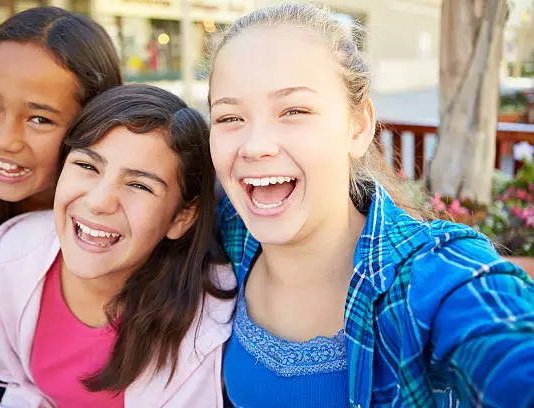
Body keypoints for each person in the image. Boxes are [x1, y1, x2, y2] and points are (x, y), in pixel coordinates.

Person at [208, 3, 534, 407]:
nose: (255, 146)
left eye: (294, 111)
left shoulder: (431, 278)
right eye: (228, 118)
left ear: (358, 127)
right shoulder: (229, 232)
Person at [0, 84, 236, 407]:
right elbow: (23, 390)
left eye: (139, 185)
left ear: (181, 217)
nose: (99, 201)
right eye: (87, 166)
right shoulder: (14, 252)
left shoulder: (206, 319)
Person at [0, 7, 122, 407]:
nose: (3, 141)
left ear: (95, 121)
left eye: (40, 119)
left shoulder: (121, 196)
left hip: (45, 339)